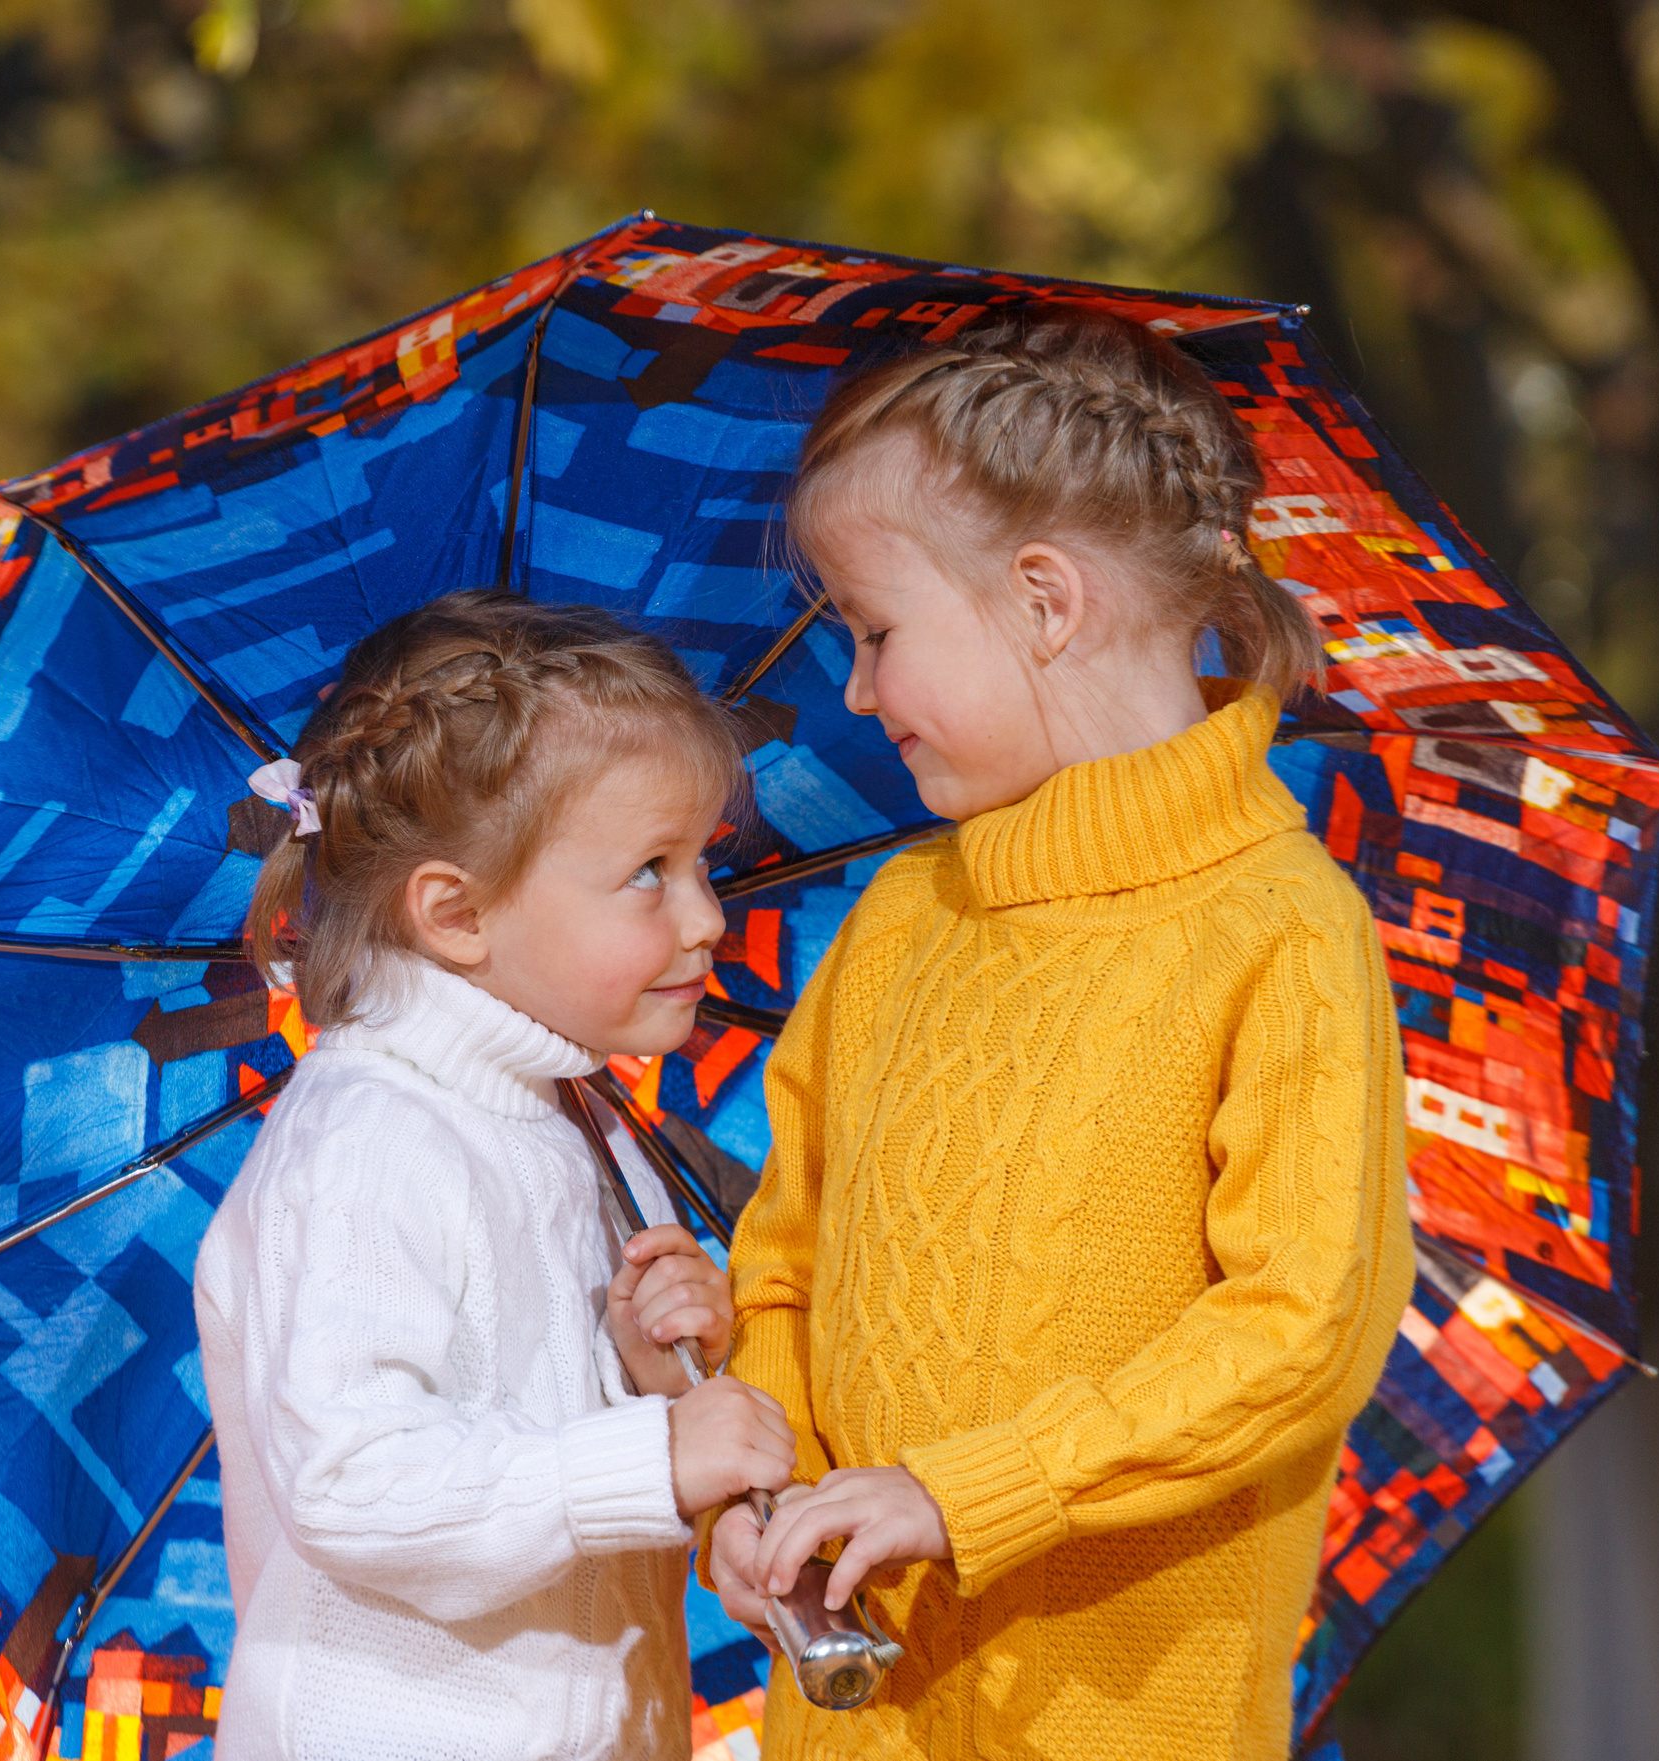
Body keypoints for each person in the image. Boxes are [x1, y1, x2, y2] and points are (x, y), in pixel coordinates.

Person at [703, 309, 1416, 1760]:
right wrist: (767, 1492)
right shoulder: (899, 918)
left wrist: (972, 1490)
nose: (852, 688)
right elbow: (781, 1269)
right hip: (849, 1724)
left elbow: (1300, 1329)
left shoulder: (1280, 928)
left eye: (877, 631)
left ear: (1044, 600)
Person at [193, 591, 801, 1760]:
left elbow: (510, 1432)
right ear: (457, 913)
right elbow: (355, 1479)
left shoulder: (570, 1115)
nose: (707, 918)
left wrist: (637, 1377)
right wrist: (649, 1458)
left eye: (702, 865)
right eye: (649, 873)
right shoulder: (372, 1136)